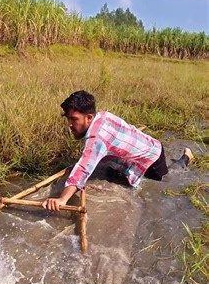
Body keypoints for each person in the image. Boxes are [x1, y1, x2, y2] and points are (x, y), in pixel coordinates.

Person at [42, 90, 194, 211]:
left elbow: (83, 168)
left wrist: (62, 199)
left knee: (165, 179)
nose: (69, 124)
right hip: (138, 151)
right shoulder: (101, 116)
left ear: (89, 118)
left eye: (74, 119)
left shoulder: (97, 137)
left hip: (152, 156)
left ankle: (186, 158)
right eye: (68, 119)